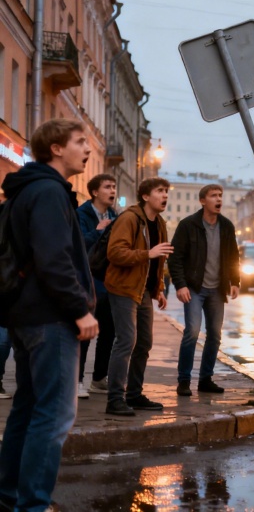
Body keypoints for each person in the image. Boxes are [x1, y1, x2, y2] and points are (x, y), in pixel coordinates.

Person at [0, 118, 99, 511]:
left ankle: (9, 497)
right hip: (50, 317)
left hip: (26, 315)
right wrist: (80, 310)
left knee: (27, 409)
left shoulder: (27, 189)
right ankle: (33, 505)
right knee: (55, 415)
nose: (87, 149)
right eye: (79, 142)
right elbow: (53, 259)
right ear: (57, 148)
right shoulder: (48, 192)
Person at [104, 177, 173, 416]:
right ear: (145, 196)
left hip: (144, 291)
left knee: (144, 343)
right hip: (123, 287)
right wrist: (147, 253)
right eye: (159, 191)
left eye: (166, 191)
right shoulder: (129, 218)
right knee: (126, 341)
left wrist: (160, 288)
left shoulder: (160, 223)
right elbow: (115, 253)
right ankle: (114, 399)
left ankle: (134, 394)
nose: (165, 195)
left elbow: (159, 261)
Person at [168, 184, 240, 397]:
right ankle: (184, 381)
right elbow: (175, 258)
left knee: (215, 335)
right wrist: (180, 285)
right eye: (213, 196)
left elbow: (233, 256)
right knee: (192, 332)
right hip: (194, 288)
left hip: (217, 289)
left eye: (220, 196)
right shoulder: (188, 225)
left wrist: (235, 281)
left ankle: (206, 379)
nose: (219, 199)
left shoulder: (226, 226)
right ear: (202, 201)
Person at [76, 173, 118, 398]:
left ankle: (99, 378)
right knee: (85, 332)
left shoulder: (113, 214)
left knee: (108, 331)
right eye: (107, 187)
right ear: (94, 192)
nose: (112, 191)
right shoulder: (81, 214)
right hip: (86, 278)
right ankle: (77, 380)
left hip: (107, 279)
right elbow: (78, 244)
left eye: (114, 187)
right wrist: (98, 230)